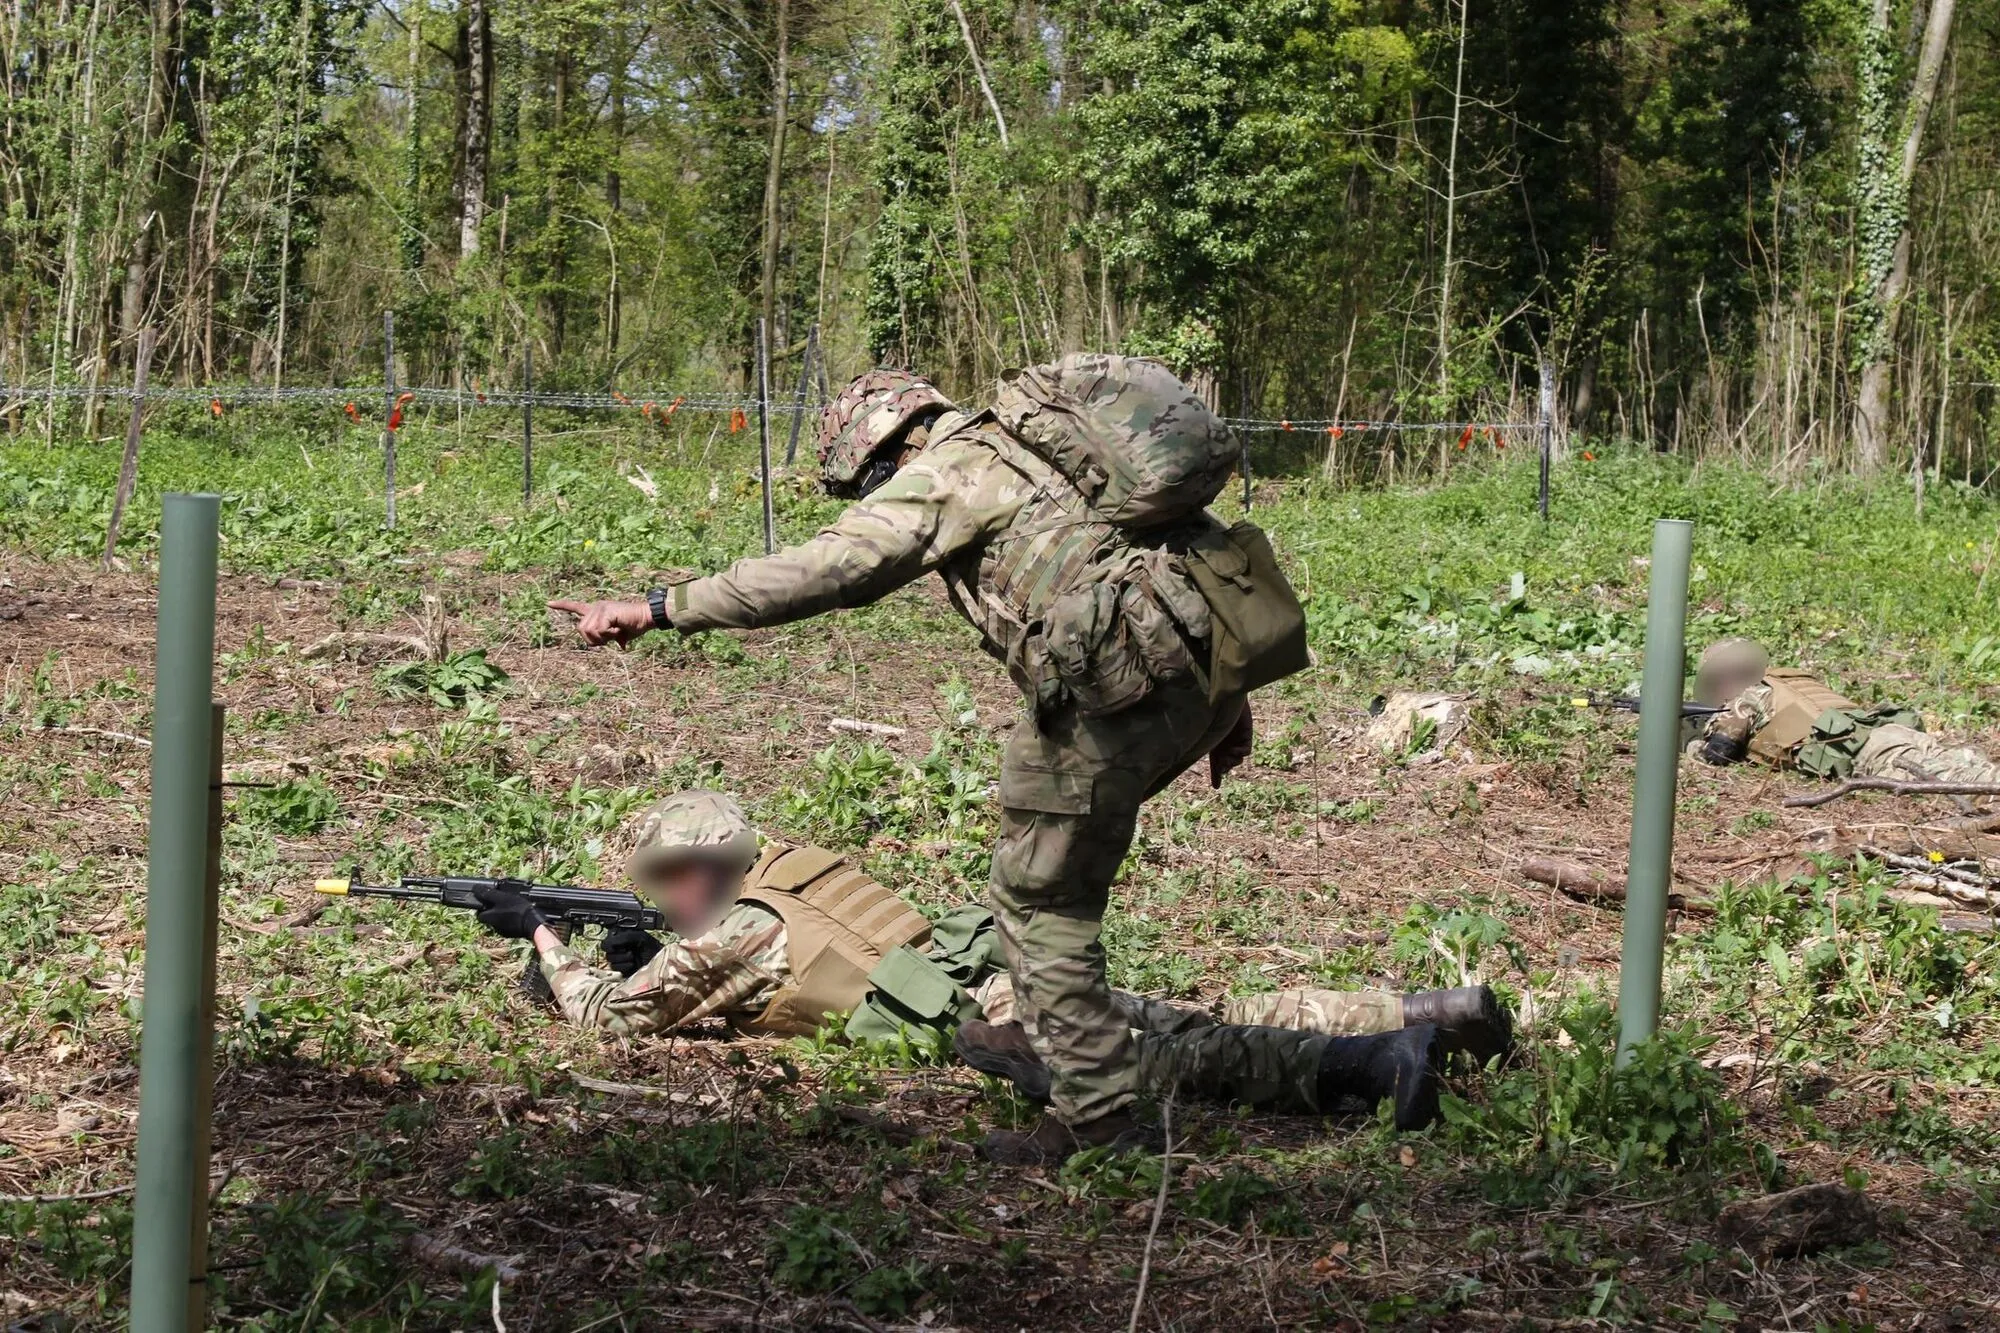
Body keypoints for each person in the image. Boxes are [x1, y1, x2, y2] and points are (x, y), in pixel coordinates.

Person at [545, 358, 1343, 1164]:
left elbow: (825, 570)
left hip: (1113, 691)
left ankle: (1097, 1119)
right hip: (1193, 672)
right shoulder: (1055, 459)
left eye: (867, 485)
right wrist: (1223, 709)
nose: (871, 499)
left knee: (1039, 902)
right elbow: (1167, 568)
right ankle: (1366, 1027)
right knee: (1052, 890)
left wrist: (659, 606)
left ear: (883, 449)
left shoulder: (951, 469)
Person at [469, 791, 1514, 1133]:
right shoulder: (793, 873)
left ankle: (1372, 1068)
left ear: (697, 870)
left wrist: (549, 945)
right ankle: (1417, 1004)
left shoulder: (736, 929)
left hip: (979, 1027)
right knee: (1193, 1015)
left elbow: (613, 1021)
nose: (665, 903)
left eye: (667, 883)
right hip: (998, 976)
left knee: (1179, 1059)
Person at [1688, 638, 2000, 783]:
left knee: (1975, 787)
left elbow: (1720, 752)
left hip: (1863, 750)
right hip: (1886, 731)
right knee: (1976, 769)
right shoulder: (1791, 678)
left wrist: (1691, 746)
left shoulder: (1748, 698)